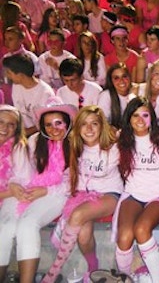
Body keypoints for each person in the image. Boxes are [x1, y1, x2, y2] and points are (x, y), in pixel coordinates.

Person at [0, 96, 76, 283]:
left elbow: (73, 182)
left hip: (57, 193)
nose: (54, 128)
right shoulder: (33, 142)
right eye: (48, 124)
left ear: (67, 124)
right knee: (5, 227)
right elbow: (22, 174)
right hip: (28, 190)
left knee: (27, 225)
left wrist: (45, 191)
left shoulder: (76, 144)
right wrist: (15, 187)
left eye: (59, 123)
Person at [43, 106, 122, 282]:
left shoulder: (113, 148)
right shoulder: (76, 148)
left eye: (94, 124)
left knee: (77, 215)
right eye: (84, 124)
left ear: (102, 127)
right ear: (78, 128)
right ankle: (94, 270)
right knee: (84, 235)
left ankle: (52, 273)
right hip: (84, 196)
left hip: (109, 195)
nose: (89, 129)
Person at [115, 97, 159, 283]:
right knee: (124, 237)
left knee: (141, 229)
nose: (140, 120)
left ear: (152, 118)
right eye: (135, 115)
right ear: (128, 119)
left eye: (145, 115)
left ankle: (157, 280)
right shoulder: (121, 141)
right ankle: (125, 278)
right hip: (133, 195)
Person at [0, 105, 32, 283]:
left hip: (13, 198)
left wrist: (11, 189)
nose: (5, 128)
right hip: (7, 194)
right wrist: (8, 191)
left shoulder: (18, 148)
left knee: (6, 228)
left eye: (11, 124)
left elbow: (23, 184)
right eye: (1, 122)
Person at [3, 54, 55, 136]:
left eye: (9, 73)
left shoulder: (45, 93)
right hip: (21, 132)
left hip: (40, 135)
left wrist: (24, 134)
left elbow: (46, 123)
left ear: (20, 75)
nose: (7, 76)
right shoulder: (16, 85)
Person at [97, 63, 137, 130]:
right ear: (111, 81)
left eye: (124, 76)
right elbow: (101, 121)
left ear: (129, 77)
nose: (121, 81)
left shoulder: (137, 91)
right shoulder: (106, 95)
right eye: (116, 78)